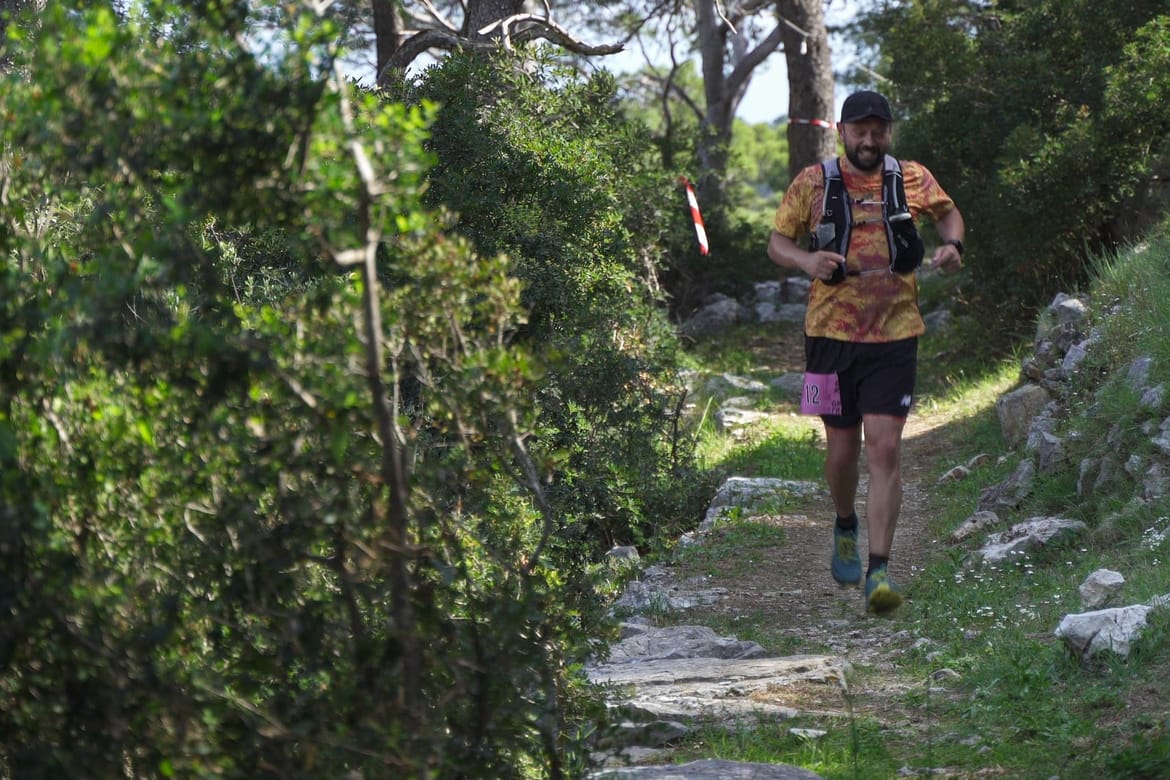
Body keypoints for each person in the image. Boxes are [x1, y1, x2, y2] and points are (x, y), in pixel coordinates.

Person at [766, 90, 965, 614]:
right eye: (860, 131)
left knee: (884, 449)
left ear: (889, 132)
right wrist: (806, 262)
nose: (869, 141)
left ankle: (879, 571)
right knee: (840, 453)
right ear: (842, 132)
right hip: (828, 337)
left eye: (878, 131)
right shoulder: (812, 182)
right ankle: (845, 522)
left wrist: (952, 246)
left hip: (895, 335)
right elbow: (777, 242)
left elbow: (949, 215)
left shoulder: (912, 177)